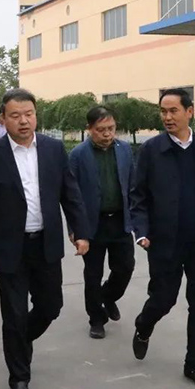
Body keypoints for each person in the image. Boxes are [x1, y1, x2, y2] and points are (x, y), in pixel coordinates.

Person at [0, 88, 90, 389]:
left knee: (51, 306)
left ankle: (20, 342)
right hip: (11, 247)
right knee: (14, 314)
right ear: (3, 119)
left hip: (45, 244)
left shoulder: (53, 149)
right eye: (15, 115)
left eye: (29, 114)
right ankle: (19, 379)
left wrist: (80, 231)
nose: (23, 121)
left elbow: (70, 193)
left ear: (36, 115)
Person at [130, 88, 195, 389]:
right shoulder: (151, 150)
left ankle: (194, 364)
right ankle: (144, 324)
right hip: (164, 242)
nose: (167, 117)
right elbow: (138, 196)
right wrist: (142, 231)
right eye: (163, 111)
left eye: (173, 110)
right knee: (163, 299)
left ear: (190, 111)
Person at [68, 106, 135, 340]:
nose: (107, 134)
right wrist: (75, 229)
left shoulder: (125, 150)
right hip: (91, 225)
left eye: (111, 128)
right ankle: (96, 319)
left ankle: (108, 296)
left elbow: (132, 185)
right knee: (93, 274)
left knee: (125, 268)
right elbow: (70, 195)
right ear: (89, 129)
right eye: (101, 129)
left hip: (120, 221)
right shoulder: (78, 155)